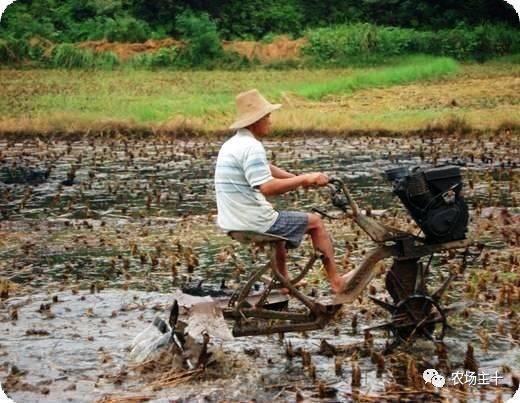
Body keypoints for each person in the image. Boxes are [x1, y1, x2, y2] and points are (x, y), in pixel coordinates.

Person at [214, 89, 348, 295]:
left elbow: (265, 168)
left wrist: (299, 178)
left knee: (280, 236)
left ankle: (284, 284)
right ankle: (336, 282)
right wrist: (304, 179)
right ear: (255, 121)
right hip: (253, 221)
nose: (270, 121)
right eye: (267, 117)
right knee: (315, 223)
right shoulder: (251, 147)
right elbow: (267, 187)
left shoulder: (232, 144)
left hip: (232, 222)